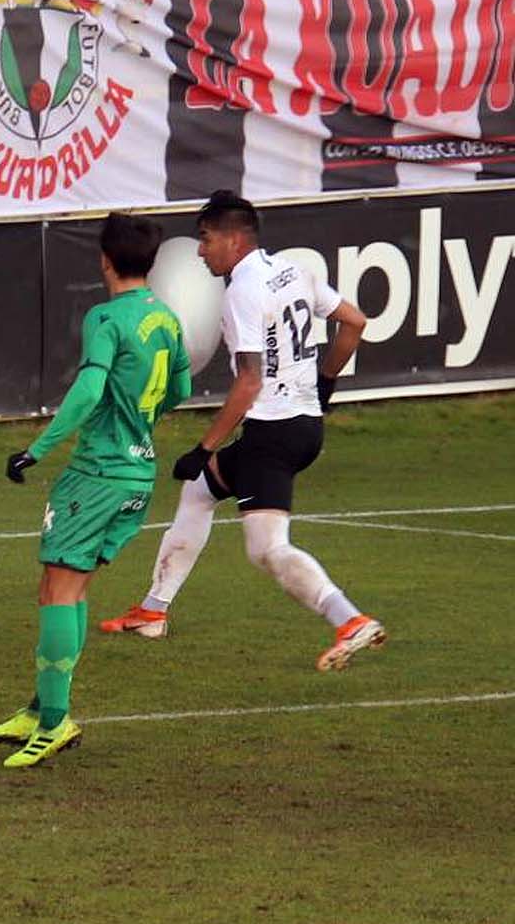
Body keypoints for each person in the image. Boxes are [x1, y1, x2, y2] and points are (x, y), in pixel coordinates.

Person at [100, 190, 387, 671]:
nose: (199, 250)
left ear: (233, 240)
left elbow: (250, 381)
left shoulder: (241, 291)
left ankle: (350, 620)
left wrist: (203, 445)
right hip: (299, 425)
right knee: (199, 491)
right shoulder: (295, 270)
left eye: (205, 238)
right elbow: (354, 322)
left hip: (271, 437)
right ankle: (153, 609)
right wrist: (325, 385)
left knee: (268, 549)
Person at [0, 213, 192, 767]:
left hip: (98, 472)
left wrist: (37, 449)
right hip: (138, 474)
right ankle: (41, 707)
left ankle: (54, 722)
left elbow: (87, 390)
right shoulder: (167, 320)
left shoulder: (106, 317)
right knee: (62, 586)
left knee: (60, 590)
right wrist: (138, 421)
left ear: (105, 259)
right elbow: (181, 387)